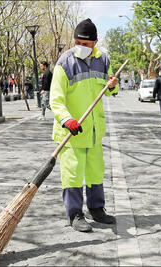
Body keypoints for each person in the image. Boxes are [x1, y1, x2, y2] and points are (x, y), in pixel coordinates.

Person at [50, 18, 119, 232]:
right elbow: (56, 99)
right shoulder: (65, 63)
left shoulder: (103, 60)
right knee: (72, 174)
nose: (81, 47)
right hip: (72, 132)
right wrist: (66, 119)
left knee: (96, 172)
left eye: (86, 44)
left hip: (94, 131)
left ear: (95, 42)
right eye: (78, 42)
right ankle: (75, 214)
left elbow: (109, 92)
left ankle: (97, 209)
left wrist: (113, 86)